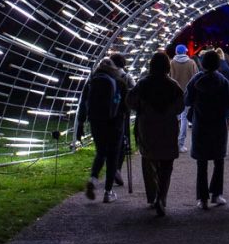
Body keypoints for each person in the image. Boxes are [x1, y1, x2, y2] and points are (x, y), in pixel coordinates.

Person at [126, 51, 184, 217]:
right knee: (166, 164)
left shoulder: (143, 84)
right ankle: (162, 197)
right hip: (167, 127)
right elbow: (180, 106)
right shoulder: (173, 85)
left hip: (147, 126)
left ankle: (152, 196)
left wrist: (143, 109)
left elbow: (130, 101)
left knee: (149, 161)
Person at [77, 57, 129, 203]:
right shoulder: (118, 81)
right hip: (114, 122)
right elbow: (126, 104)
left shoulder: (92, 81)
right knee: (113, 155)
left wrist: (80, 123)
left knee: (101, 151)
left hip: (96, 121)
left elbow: (83, 104)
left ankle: (93, 179)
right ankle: (108, 191)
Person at [185, 50, 229, 209]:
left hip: (201, 124)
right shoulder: (223, 81)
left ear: (202, 63)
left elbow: (187, 100)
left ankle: (202, 197)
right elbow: (228, 102)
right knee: (219, 160)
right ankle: (217, 194)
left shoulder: (196, 80)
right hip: (218, 124)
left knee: (201, 162)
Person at [110, 52, 137, 188]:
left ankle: (107, 168)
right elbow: (134, 91)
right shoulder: (126, 76)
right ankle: (117, 169)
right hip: (122, 113)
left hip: (106, 114)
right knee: (122, 141)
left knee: (107, 141)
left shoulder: (105, 75)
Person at [169, 44, 198, 152]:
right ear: (185, 52)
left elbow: (169, 77)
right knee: (184, 118)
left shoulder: (171, 63)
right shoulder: (191, 63)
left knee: (174, 119)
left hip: (174, 94)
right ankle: (181, 144)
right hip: (187, 94)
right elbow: (196, 77)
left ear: (176, 52)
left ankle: (172, 143)